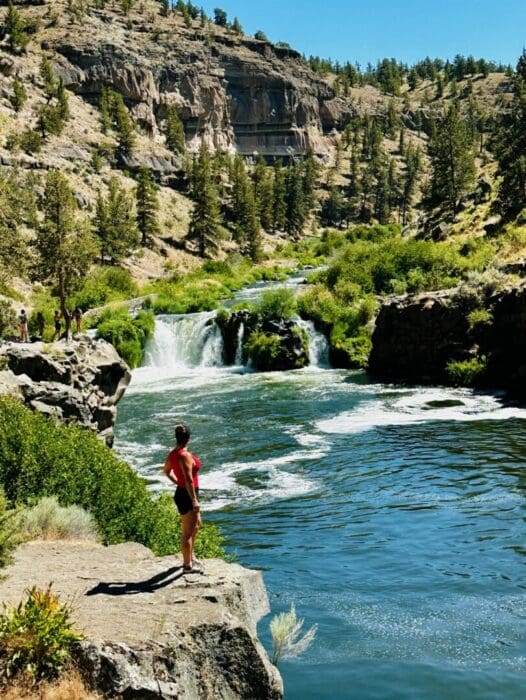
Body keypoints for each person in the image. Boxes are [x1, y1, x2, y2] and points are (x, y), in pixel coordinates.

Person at [163, 423, 203, 574]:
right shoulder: (184, 455)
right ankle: (187, 566)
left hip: (183, 492)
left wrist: (177, 483)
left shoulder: (174, 453)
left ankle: (190, 557)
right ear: (189, 439)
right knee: (187, 532)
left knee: (197, 525)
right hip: (187, 495)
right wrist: (194, 500)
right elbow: (188, 480)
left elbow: (166, 471)